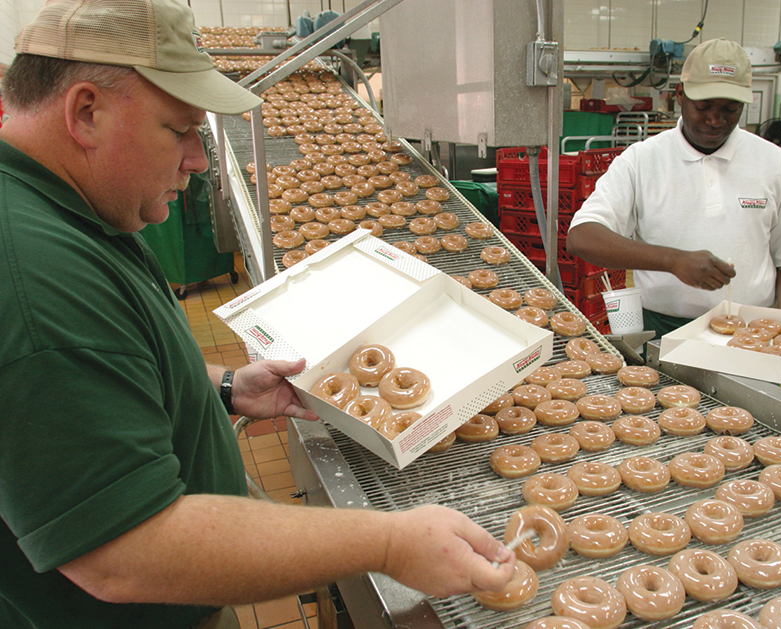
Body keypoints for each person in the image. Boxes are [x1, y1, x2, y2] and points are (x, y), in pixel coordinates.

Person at [0, 2, 514, 628]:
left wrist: (219, 386)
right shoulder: (35, 277)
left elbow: (108, 365)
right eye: (178, 129)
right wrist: (389, 543)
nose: (198, 158)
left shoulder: (67, 206)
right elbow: (124, 552)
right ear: (86, 112)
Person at [567, 38, 781, 339]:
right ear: (679, 95)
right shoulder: (643, 160)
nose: (715, 120)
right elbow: (581, 237)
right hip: (663, 329)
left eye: (730, 109)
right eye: (704, 106)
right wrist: (674, 261)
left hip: (751, 331)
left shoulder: (774, 163)